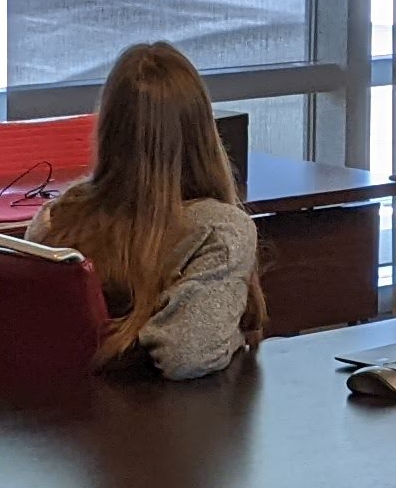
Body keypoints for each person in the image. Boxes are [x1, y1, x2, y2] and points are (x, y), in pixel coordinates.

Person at [33, 42, 266, 380]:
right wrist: (233, 336)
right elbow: (188, 355)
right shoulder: (221, 230)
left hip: (61, 422)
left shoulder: (54, 219)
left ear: (109, 129)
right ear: (203, 132)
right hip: (160, 427)